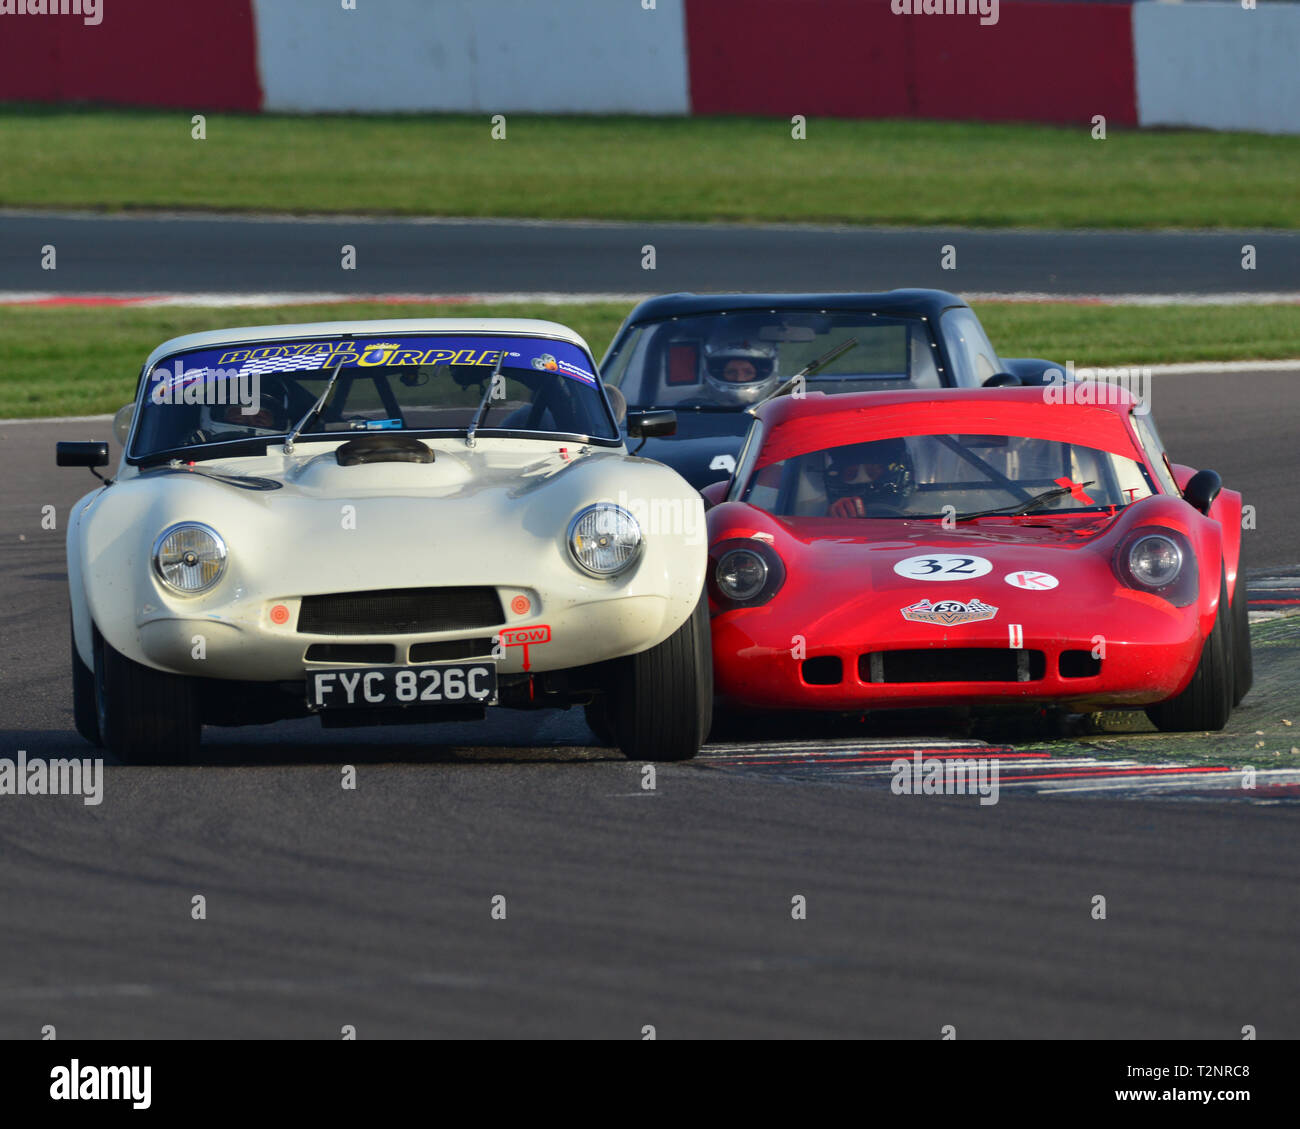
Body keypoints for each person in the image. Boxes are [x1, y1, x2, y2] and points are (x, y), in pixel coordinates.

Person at [824, 438, 914, 517]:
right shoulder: (823, 512)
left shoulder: (919, 513)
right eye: (851, 474)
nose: (862, 480)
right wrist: (834, 518)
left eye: (872, 472)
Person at [701, 332, 780, 407]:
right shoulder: (691, 403)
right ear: (719, 373)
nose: (739, 378)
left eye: (748, 372)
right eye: (731, 372)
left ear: (761, 373)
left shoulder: (784, 403)